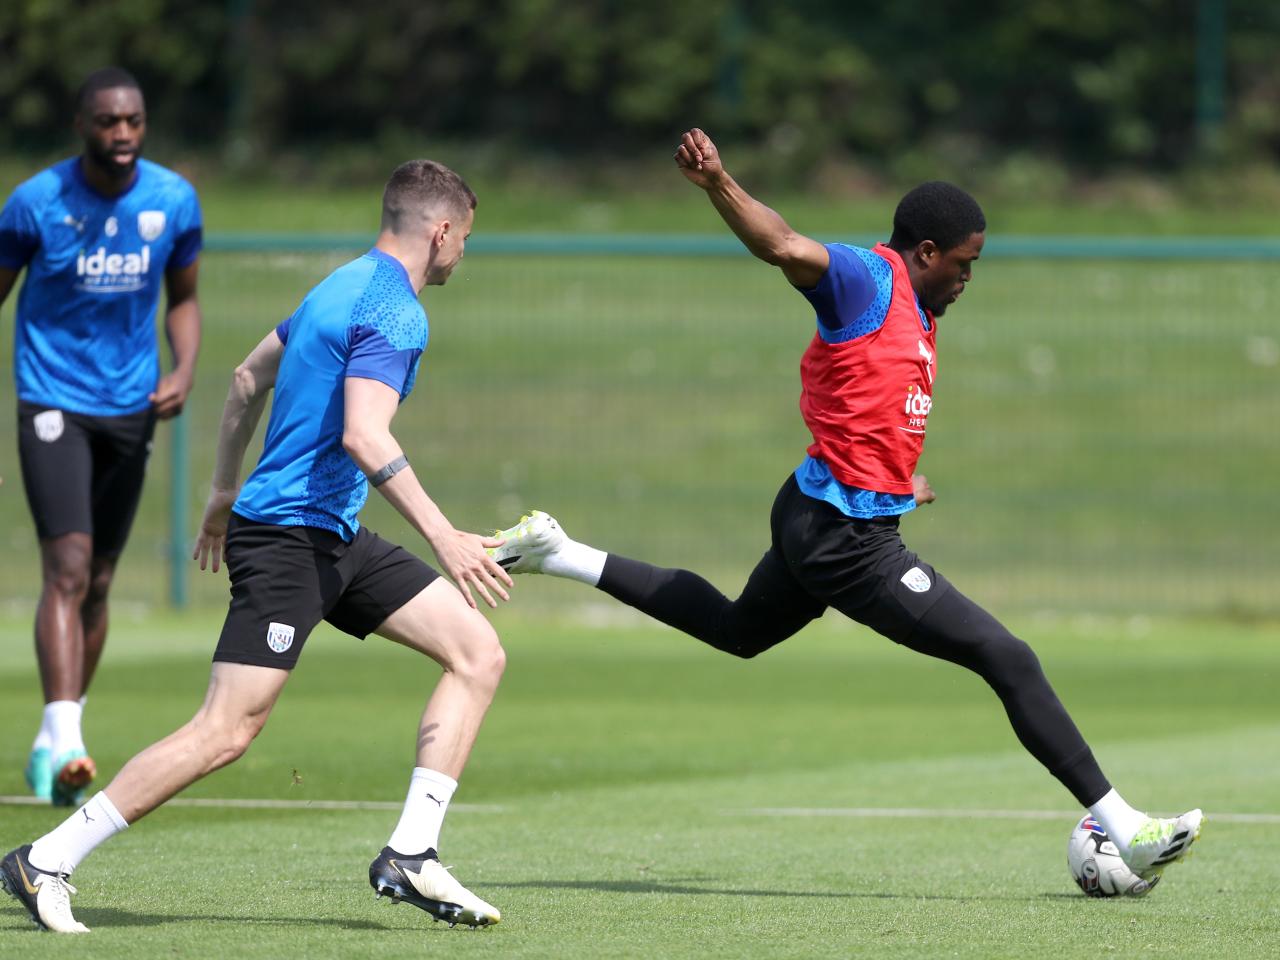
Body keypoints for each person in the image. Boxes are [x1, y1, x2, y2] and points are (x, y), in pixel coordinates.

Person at [489, 127, 1202, 887]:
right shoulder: (869, 279)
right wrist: (720, 184)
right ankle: (1124, 827)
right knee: (1006, 656)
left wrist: (902, 483)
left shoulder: (920, 315)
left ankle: (558, 552)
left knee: (737, 630)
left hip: (815, 512)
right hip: (843, 540)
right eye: (964, 265)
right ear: (926, 252)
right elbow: (785, 245)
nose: (968, 279)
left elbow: (868, 416)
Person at [1, 159, 514, 934]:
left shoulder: (334, 287)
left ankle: (412, 853)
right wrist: (444, 536)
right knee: (226, 731)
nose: (464, 254)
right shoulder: (398, 312)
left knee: (477, 653)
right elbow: (365, 437)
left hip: (330, 534)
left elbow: (245, 380)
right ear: (440, 230)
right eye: (465, 238)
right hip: (287, 541)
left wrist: (217, 495)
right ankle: (45, 860)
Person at [0, 67, 203, 807]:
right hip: (52, 401)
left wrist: (184, 365)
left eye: (134, 123)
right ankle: (66, 738)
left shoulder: (173, 200)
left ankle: (55, 744)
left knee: (102, 582)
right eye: (108, 123)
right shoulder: (34, 205)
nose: (122, 136)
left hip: (131, 408)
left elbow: (183, 299)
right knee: (69, 566)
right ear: (81, 125)